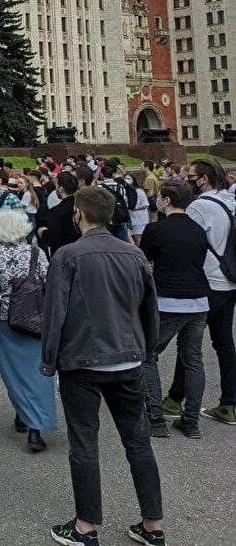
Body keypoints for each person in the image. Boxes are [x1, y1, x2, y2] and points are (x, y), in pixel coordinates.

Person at [40, 186, 164, 546]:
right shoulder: (133, 254)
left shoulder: (68, 256)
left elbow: (54, 313)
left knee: (84, 441)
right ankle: (153, 524)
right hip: (128, 357)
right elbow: (149, 308)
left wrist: (49, 360)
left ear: (78, 213)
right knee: (138, 442)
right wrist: (148, 350)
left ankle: (86, 526)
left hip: (82, 360)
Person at [0, 208, 57, 453]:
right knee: (37, 372)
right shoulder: (36, 252)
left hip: (5, 320)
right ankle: (35, 427)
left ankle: (22, 413)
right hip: (35, 319)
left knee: (12, 372)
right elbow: (49, 284)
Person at [167, 158, 236, 427]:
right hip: (230, 279)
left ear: (204, 179)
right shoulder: (231, 200)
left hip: (207, 280)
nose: (187, 178)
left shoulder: (199, 206)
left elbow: (187, 241)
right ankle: (230, 403)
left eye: (191, 175)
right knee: (224, 343)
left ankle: (175, 400)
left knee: (189, 344)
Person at [140, 179, 210, 439]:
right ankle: (190, 421)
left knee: (148, 354)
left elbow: (144, 262)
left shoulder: (155, 229)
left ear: (167, 201)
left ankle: (155, 418)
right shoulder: (198, 230)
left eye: (160, 197)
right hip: (199, 299)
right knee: (193, 358)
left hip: (167, 299)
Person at [39, 172, 81, 256]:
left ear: (61, 188)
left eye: (56, 187)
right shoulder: (82, 207)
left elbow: (53, 238)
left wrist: (43, 232)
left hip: (62, 254)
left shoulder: (57, 211)